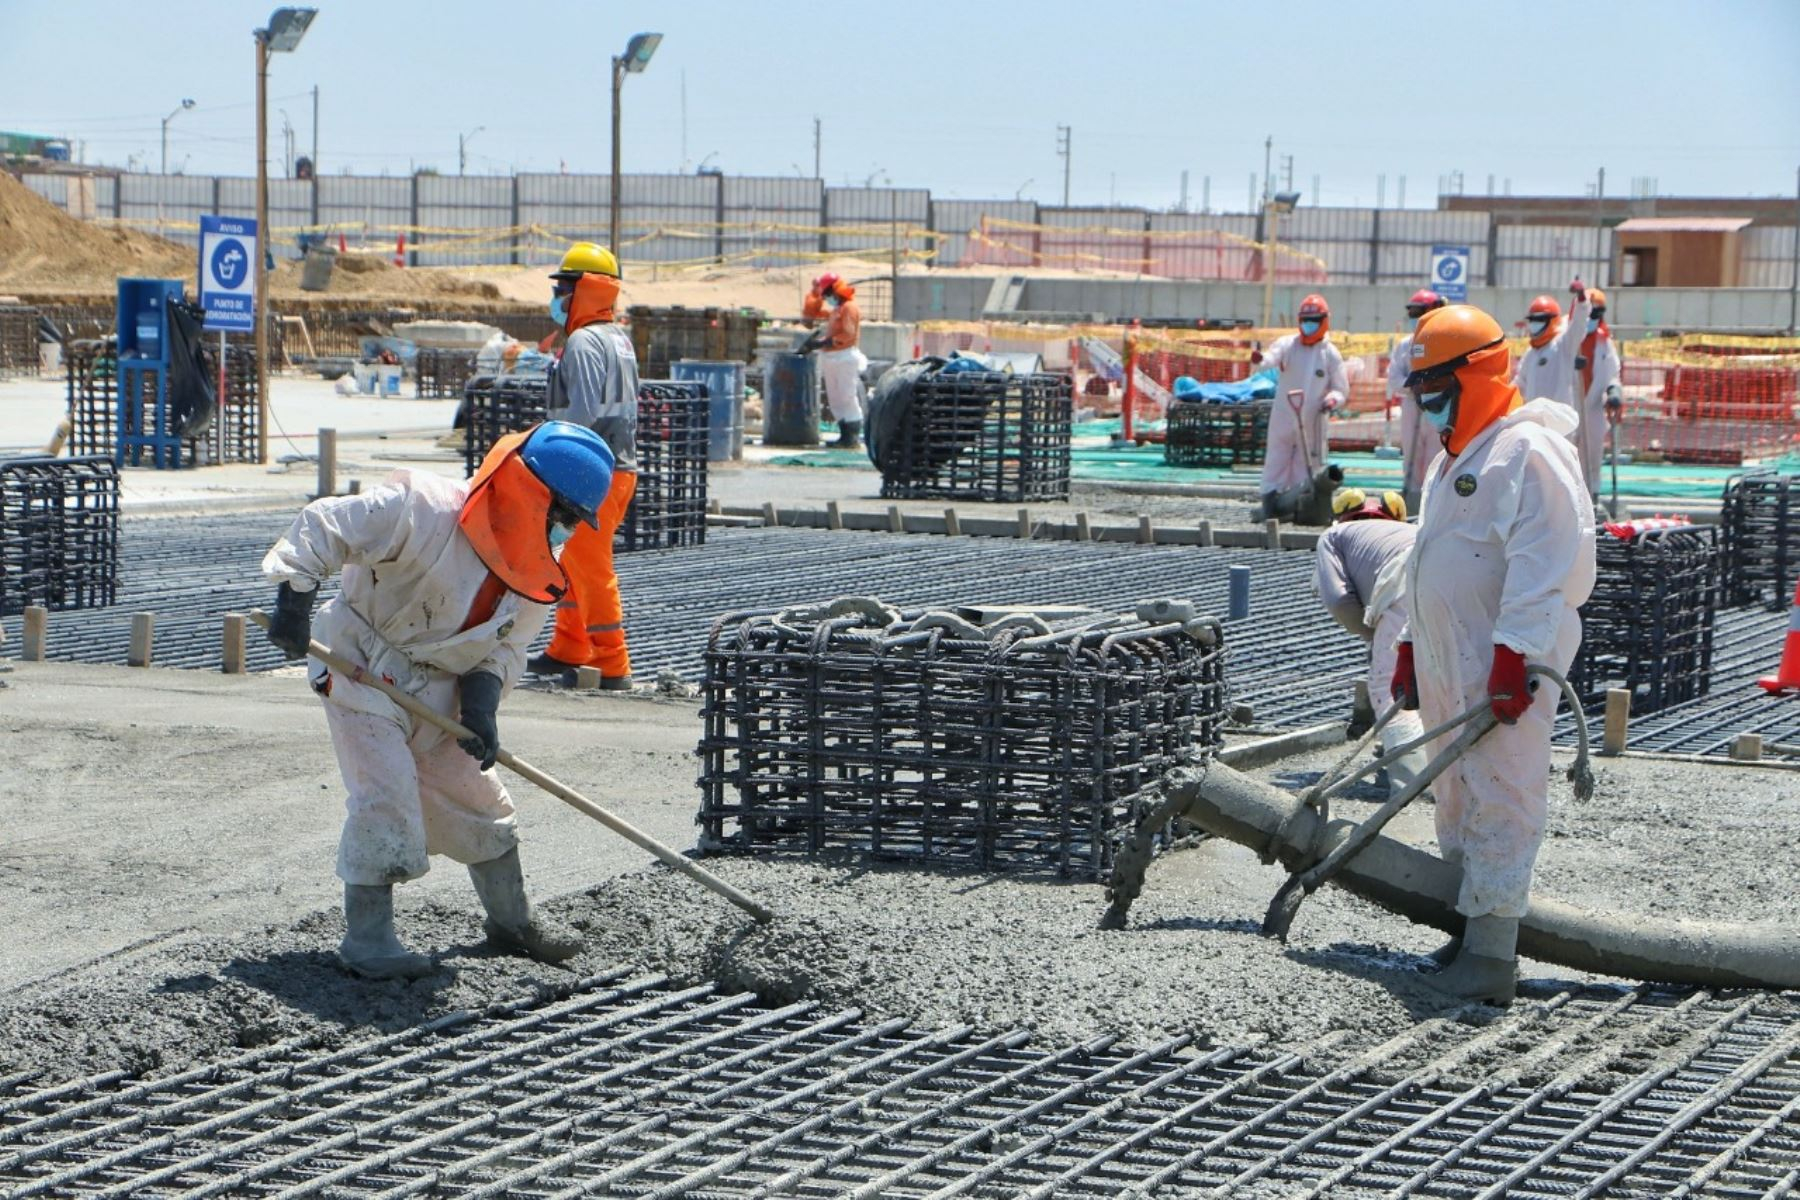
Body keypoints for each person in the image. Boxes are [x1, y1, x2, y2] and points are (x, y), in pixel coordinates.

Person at [261, 421, 617, 979]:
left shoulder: (536, 578)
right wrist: (294, 599)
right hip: (360, 665)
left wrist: (483, 699)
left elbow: (506, 648)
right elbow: (323, 524)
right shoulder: (420, 509)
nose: (566, 533)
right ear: (531, 497)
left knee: (477, 797)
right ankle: (369, 941)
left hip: (439, 686)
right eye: (565, 517)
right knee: (387, 791)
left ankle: (511, 921)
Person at [1391, 303, 1596, 1006]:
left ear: (1475, 374)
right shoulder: (1454, 459)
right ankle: (1466, 922)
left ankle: (1492, 953)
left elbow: (1545, 564)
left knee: (1503, 789)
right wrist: (1411, 645)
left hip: (1505, 655)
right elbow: (1427, 558)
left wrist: (1517, 656)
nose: (1426, 402)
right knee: (1455, 789)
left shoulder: (1528, 452)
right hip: (1454, 652)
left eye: (1436, 387)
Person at [528, 242, 641, 689]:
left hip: (591, 471)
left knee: (592, 568)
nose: (558, 297)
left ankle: (613, 665)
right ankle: (569, 648)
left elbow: (581, 415)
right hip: (614, 467)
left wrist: (552, 459)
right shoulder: (618, 338)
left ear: (587, 289)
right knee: (571, 561)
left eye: (565, 287)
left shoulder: (584, 341)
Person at [1313, 487, 1427, 801]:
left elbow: (1337, 599)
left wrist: (1374, 637)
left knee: (1391, 690)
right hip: (1451, 579)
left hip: (1403, 586)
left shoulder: (1336, 535)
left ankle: (1414, 787)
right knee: (1445, 681)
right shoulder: (1412, 530)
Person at [1256, 294, 1348, 517]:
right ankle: (1270, 501)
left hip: (1313, 418)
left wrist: (1332, 399)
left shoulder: (1330, 354)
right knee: (1276, 457)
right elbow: (1270, 358)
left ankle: (1299, 505)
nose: (1309, 325)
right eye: (1305, 319)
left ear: (1324, 321)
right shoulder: (1288, 345)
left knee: (1306, 464)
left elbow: (1341, 389)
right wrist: (1259, 359)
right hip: (1284, 414)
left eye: (1314, 320)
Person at [1387, 289, 1448, 515]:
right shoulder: (1405, 346)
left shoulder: (1445, 342)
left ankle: (1435, 506)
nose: (1414, 317)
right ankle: (1411, 505)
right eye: (1411, 312)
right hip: (1413, 405)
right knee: (1411, 458)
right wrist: (1411, 385)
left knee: (1437, 455)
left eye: (1418, 312)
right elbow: (1393, 378)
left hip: (1438, 406)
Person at [1572, 286, 1623, 503]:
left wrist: (1614, 390)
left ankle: (1592, 497)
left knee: (1593, 457)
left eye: (1597, 314)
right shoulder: (1568, 338)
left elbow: (1613, 372)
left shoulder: (1604, 342)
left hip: (1593, 408)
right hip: (1570, 406)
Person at [1512, 281, 1592, 413]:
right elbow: (1519, 384)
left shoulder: (1563, 345)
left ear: (1553, 321)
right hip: (1535, 421)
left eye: (1540, 320)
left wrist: (1582, 301)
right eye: (1532, 320)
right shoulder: (1530, 354)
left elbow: (1579, 324)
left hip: (1559, 423)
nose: (1534, 324)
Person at [815, 277, 867, 450]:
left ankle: (852, 437)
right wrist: (822, 342)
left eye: (828, 294)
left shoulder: (849, 308)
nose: (827, 299)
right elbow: (834, 334)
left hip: (845, 357)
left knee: (847, 395)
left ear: (835, 290)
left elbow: (848, 335)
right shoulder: (838, 309)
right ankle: (844, 435)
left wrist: (827, 343)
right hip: (832, 358)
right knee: (835, 398)